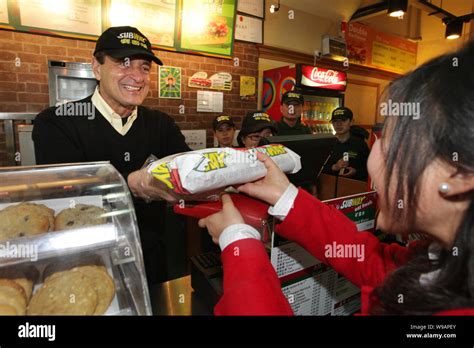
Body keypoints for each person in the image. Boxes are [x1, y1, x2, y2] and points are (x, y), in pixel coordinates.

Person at [198, 40, 474, 315]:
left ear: (458, 173)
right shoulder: (438, 264)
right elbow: (371, 263)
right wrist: (286, 196)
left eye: (391, 140)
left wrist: (237, 242)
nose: (373, 159)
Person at [32, 26, 191, 286]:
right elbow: (64, 195)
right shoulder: (57, 122)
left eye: (144, 67)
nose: (137, 77)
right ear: (97, 67)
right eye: (123, 63)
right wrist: (132, 183)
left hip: (149, 259)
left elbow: (187, 168)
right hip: (84, 264)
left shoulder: (161, 124)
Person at [322, 107, 370, 181]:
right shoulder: (326, 143)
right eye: (335, 121)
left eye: (343, 120)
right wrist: (334, 167)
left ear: (351, 122)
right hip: (329, 187)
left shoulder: (360, 144)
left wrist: (355, 172)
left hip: (354, 187)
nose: (339, 124)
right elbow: (317, 169)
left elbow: (370, 170)